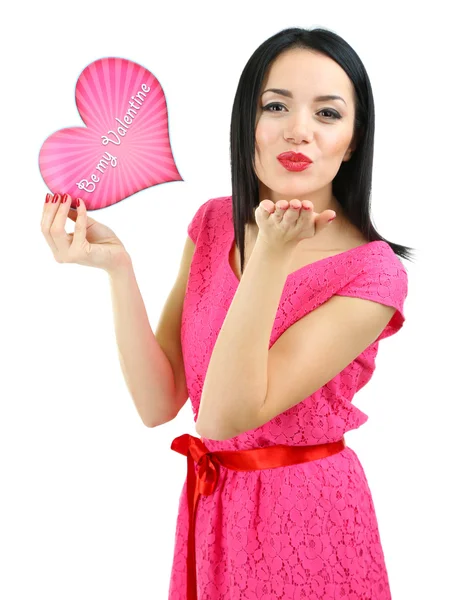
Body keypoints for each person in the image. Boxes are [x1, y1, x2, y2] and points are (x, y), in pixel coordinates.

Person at [41, 26, 414, 600]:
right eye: (276, 105)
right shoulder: (215, 223)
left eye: (328, 113)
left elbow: (224, 416)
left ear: (355, 138)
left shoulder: (373, 273)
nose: (299, 130)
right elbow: (159, 403)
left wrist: (269, 254)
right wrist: (117, 269)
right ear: (249, 124)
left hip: (308, 516)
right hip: (212, 507)